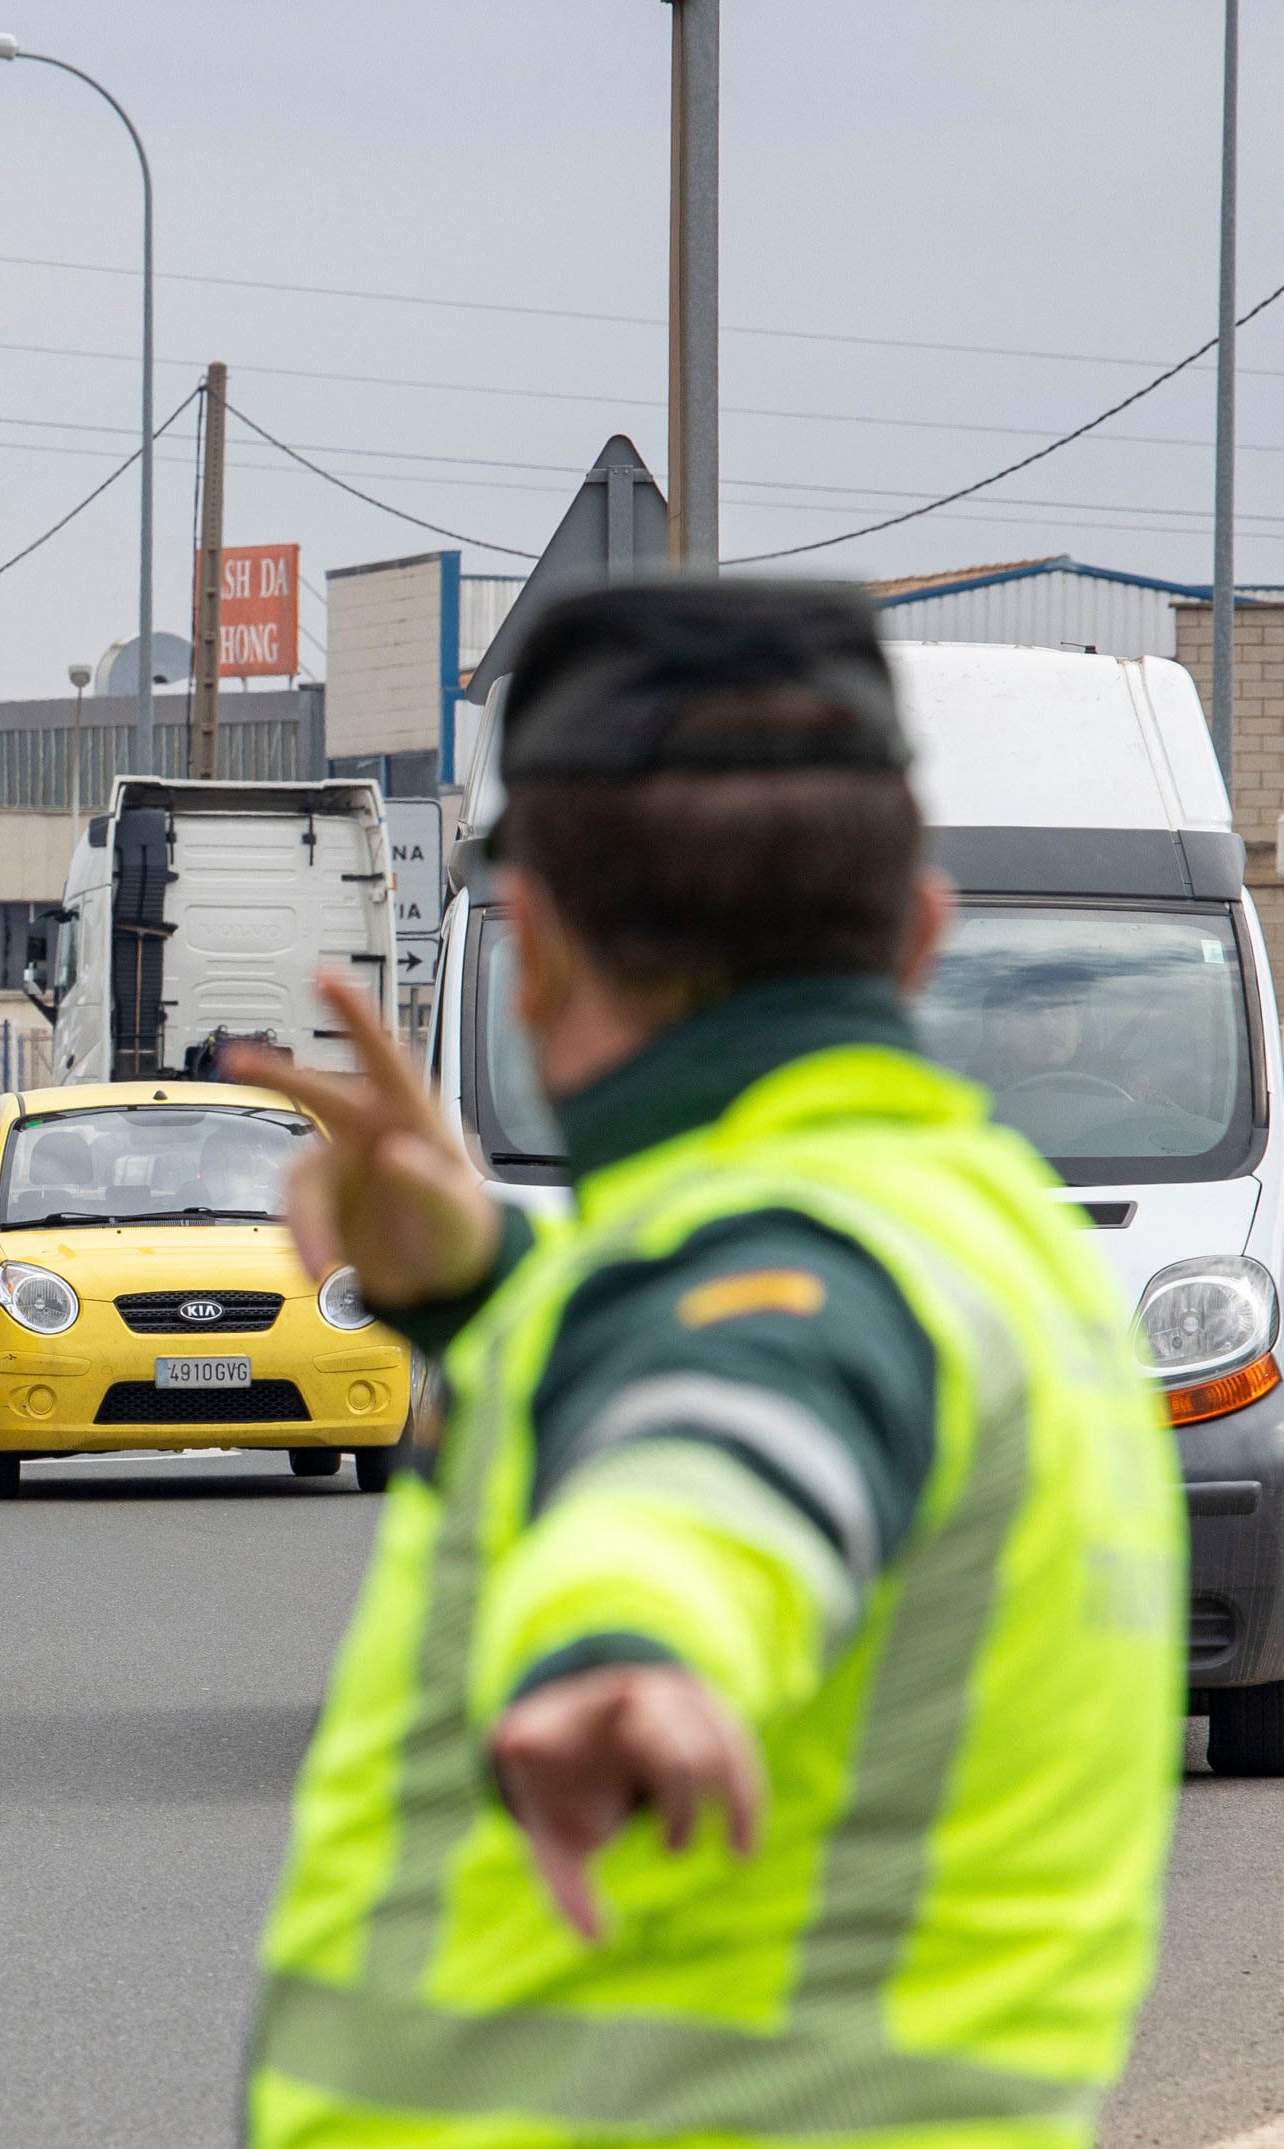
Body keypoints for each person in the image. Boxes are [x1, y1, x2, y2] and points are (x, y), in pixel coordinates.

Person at [231, 581, 1178, 2149]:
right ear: (919, 929)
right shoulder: (977, 1237)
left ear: (534, 954)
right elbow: (721, 1363)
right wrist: (475, 1288)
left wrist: (629, 1642)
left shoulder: (774, 1263)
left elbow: (724, 1438)